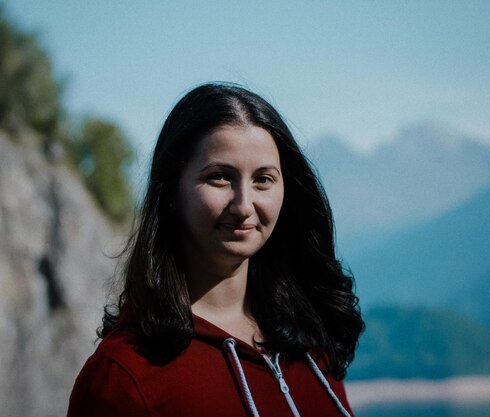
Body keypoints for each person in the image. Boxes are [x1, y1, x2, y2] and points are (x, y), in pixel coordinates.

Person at [67, 83, 364, 417]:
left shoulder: (307, 340)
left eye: (263, 179)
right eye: (220, 177)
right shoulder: (122, 376)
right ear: (170, 193)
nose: (243, 205)